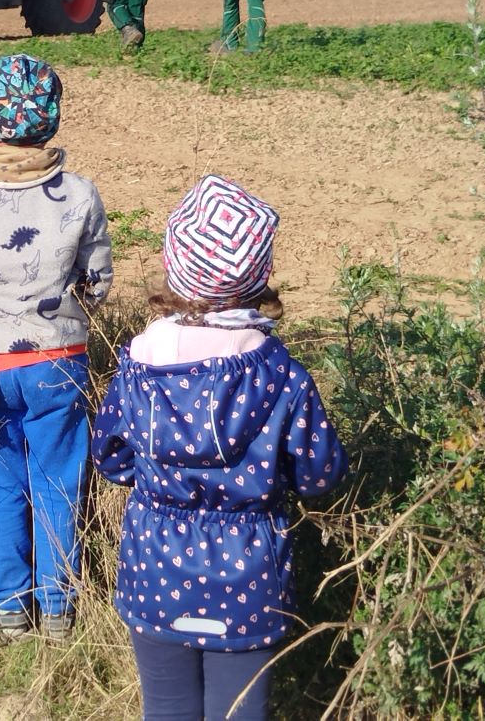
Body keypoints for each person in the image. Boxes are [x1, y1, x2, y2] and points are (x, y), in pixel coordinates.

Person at [91, 175, 348, 721]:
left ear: (173, 266)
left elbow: (111, 461)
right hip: (250, 571)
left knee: (165, 708)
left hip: (154, 564)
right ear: (261, 274)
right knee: (240, 711)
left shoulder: (138, 364)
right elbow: (319, 474)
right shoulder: (281, 375)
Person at [0, 55, 113, 643]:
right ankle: (58, 604)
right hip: (57, 362)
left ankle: (9, 606)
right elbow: (99, 283)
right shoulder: (81, 194)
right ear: (52, 119)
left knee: (0, 482)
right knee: (59, 481)